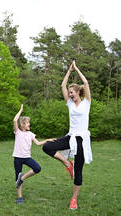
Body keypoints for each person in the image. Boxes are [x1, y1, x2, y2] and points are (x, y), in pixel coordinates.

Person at [43, 60, 93, 210]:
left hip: (82, 140)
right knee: (47, 147)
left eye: (72, 92)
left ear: (78, 92)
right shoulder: (69, 103)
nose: (70, 94)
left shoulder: (87, 103)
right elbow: (62, 86)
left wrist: (76, 68)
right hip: (70, 137)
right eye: (69, 93)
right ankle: (67, 163)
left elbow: (86, 82)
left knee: (79, 171)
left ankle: (74, 199)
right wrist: (69, 71)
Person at [12, 104, 54, 204]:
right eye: (27, 123)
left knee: (37, 168)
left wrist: (47, 140)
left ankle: (22, 178)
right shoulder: (18, 132)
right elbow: (14, 120)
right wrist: (21, 110)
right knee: (17, 175)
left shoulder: (31, 134)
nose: (29, 124)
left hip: (27, 158)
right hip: (17, 158)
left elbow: (38, 143)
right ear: (22, 124)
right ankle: (20, 197)